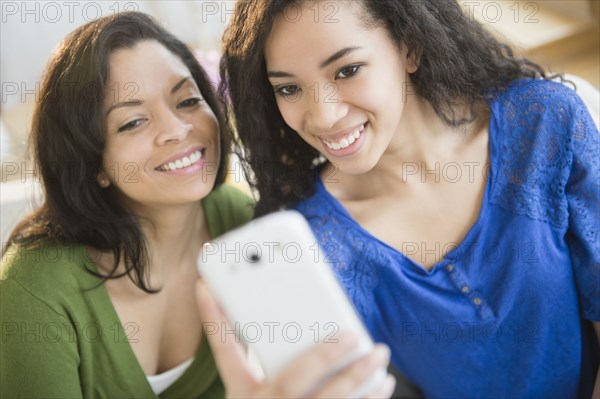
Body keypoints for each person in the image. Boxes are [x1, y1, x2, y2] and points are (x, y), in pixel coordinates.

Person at [0, 12, 395, 398]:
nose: (177, 129)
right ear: (92, 162)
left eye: (187, 100)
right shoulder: (34, 288)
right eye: (132, 122)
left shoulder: (240, 225)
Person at [220, 0, 600, 397]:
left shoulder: (543, 123)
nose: (323, 116)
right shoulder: (310, 241)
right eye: (289, 88)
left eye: (347, 70)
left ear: (409, 47)